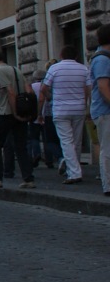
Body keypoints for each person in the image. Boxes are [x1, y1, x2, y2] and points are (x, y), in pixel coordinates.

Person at [0, 50, 36, 189]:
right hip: (20, 111)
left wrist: (15, 112)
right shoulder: (16, 69)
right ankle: (28, 178)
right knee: (21, 146)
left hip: (6, 112)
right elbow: (28, 90)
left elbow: (10, 92)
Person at [41, 45, 91, 185]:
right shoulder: (83, 69)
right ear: (76, 56)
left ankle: (74, 172)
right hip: (79, 108)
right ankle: (74, 168)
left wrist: (51, 98)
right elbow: (88, 89)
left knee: (66, 141)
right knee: (77, 141)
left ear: (61, 55)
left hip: (61, 109)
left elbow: (44, 88)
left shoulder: (54, 68)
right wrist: (85, 103)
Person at [89, 24, 110, 195]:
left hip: (104, 110)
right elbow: (103, 87)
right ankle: (108, 185)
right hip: (105, 111)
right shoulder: (102, 59)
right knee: (107, 149)